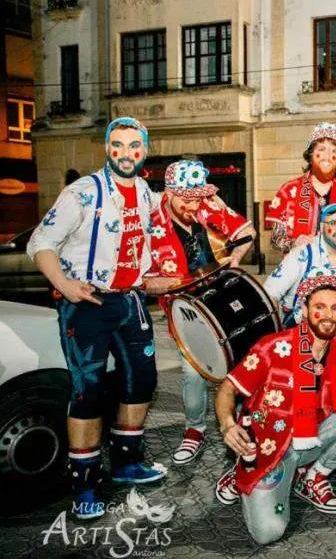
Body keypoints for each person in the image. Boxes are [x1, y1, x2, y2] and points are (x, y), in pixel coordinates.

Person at [26, 117, 168, 519]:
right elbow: (41, 242)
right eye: (118, 145)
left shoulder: (142, 191)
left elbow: (168, 215)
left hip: (130, 300)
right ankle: (85, 485)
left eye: (134, 146)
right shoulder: (83, 192)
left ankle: (126, 463)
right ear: (108, 148)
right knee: (88, 390)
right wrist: (65, 285)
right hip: (86, 301)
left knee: (141, 381)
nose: (126, 153)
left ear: (145, 150)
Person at [215, 271, 336, 544]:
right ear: (304, 310)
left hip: (313, 440)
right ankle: (243, 471)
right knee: (269, 532)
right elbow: (227, 389)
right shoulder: (273, 347)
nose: (328, 315)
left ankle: (313, 477)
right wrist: (227, 425)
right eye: (320, 307)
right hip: (269, 445)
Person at [146, 159, 255, 466]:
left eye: (197, 198)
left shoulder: (207, 206)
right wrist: (169, 284)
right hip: (186, 314)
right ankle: (195, 430)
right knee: (194, 373)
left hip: (223, 303)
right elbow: (141, 282)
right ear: (168, 192)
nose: (192, 206)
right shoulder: (150, 225)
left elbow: (248, 231)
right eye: (185, 199)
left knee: (241, 364)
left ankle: (243, 424)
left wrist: (234, 258)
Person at [265, 123, 336, 253]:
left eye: (333, 151)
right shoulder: (288, 191)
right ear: (310, 155)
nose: (327, 155)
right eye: (321, 149)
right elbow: (275, 240)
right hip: (300, 268)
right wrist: (293, 243)